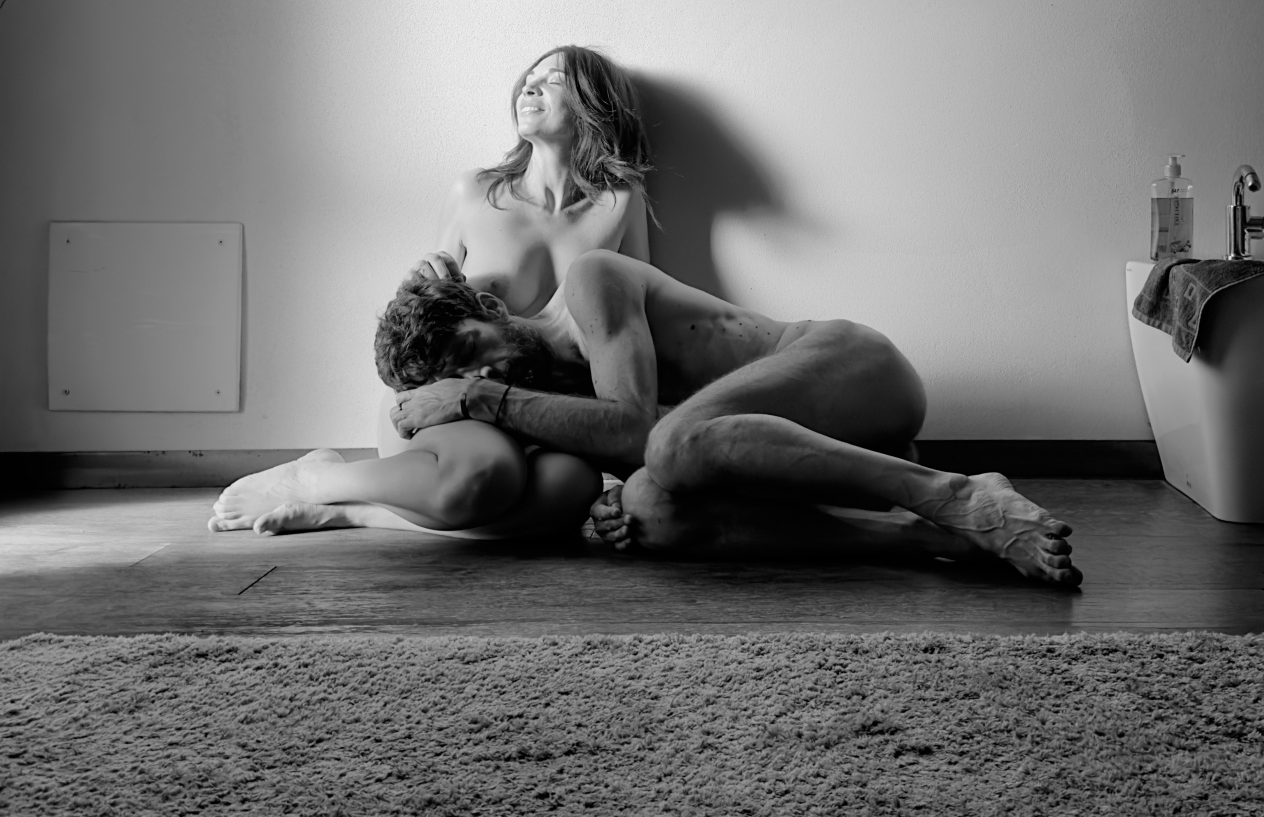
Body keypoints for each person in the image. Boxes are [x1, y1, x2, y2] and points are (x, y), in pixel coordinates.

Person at [224, 255, 1082, 590]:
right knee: (646, 510)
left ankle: (953, 495)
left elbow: (640, 426)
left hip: (852, 370)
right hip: (808, 453)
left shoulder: (588, 287)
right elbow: (631, 458)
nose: (482, 377)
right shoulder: (539, 395)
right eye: (463, 376)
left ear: (488, 306)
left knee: (665, 446)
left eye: (471, 351)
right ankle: (926, 541)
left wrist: (483, 402)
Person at [209, 46, 650, 539]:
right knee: (487, 472)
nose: (530, 86)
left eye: (554, 80)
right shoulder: (475, 192)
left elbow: (636, 324)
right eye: (530, 77)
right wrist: (418, 279)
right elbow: (421, 309)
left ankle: (355, 512)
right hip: (444, 396)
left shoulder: (621, 203)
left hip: (539, 406)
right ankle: (315, 477)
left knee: (572, 489)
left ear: (595, 101)